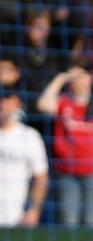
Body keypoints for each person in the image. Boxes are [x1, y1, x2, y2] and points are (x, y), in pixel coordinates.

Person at [36, 66, 93, 227]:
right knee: (68, 223)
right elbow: (43, 105)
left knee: (92, 223)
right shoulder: (63, 103)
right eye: (75, 76)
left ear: (91, 77)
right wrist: (61, 78)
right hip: (66, 174)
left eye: (82, 75)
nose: (79, 80)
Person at [0, 86, 48, 229]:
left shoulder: (30, 136)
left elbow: (41, 177)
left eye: (6, 98)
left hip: (16, 219)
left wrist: (34, 210)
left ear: (17, 103)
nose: (2, 103)